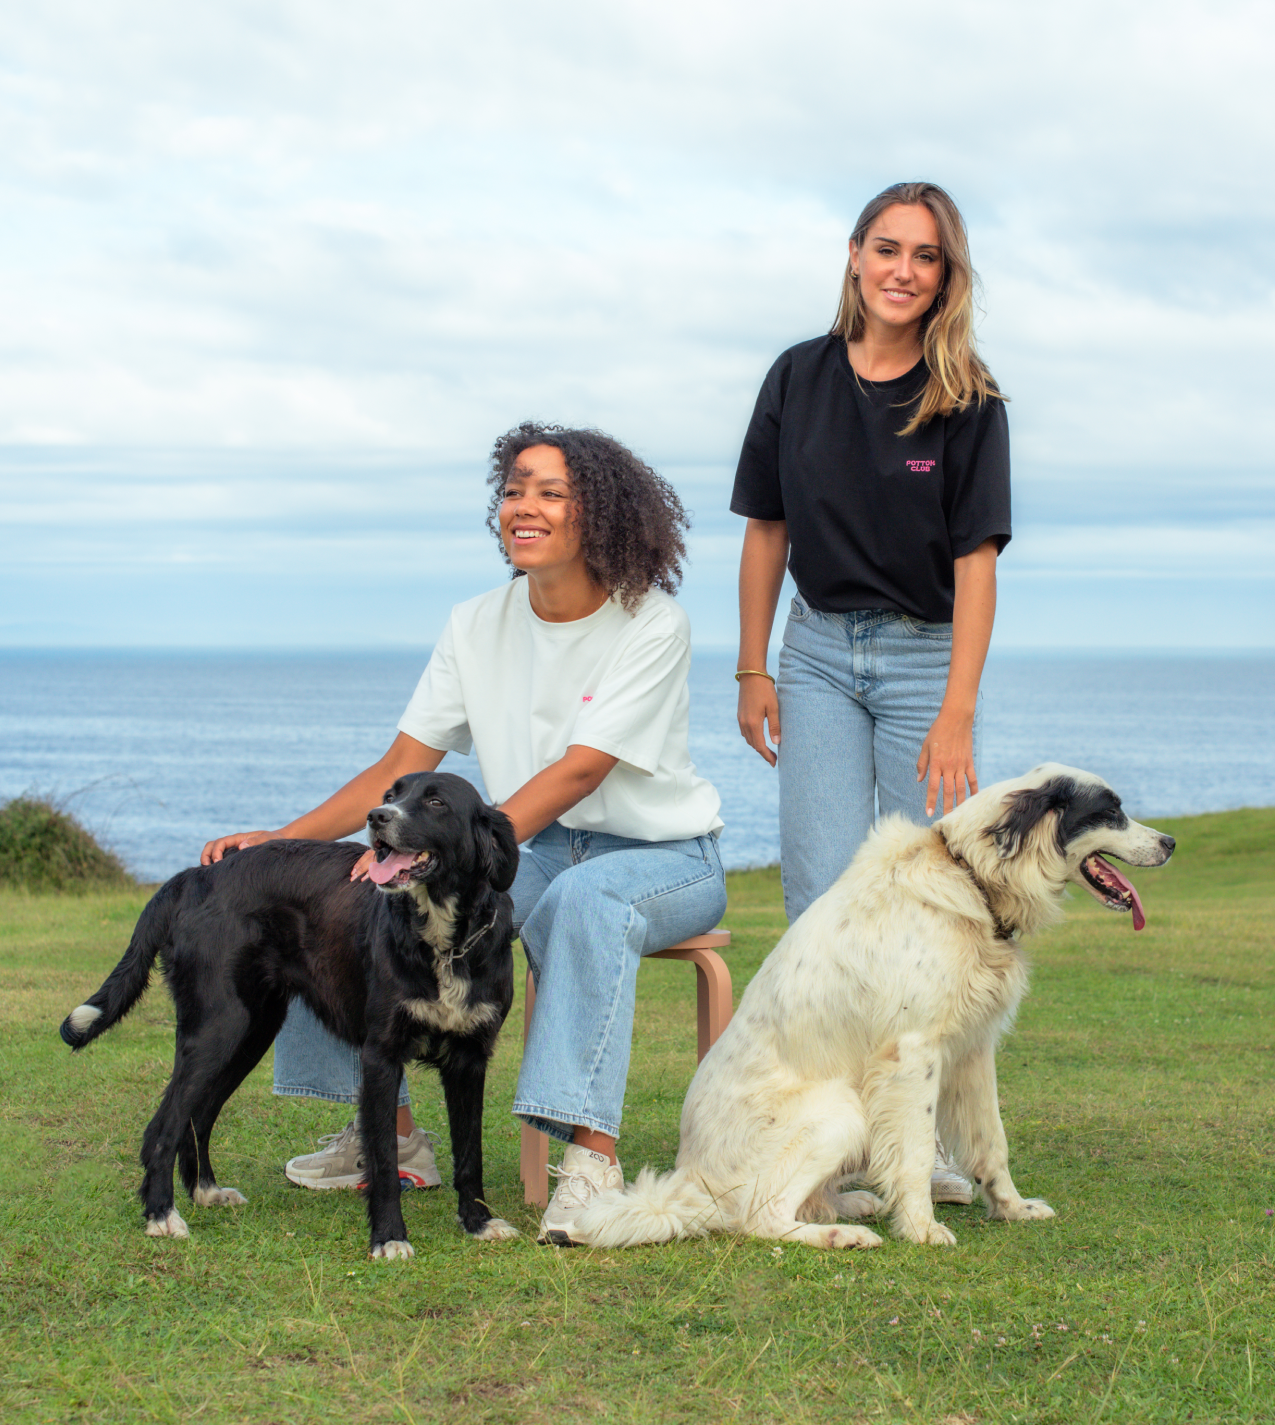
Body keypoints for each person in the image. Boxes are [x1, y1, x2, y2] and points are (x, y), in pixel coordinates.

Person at [202, 423, 726, 1245]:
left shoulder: (652, 623)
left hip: (658, 856)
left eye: (552, 493)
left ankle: (590, 1164)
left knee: (584, 901)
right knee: (338, 884)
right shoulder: (474, 622)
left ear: (603, 515)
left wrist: (460, 850)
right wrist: (283, 841)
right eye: (516, 488)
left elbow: (578, 773)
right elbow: (404, 760)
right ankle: (392, 1133)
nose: (526, 506)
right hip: (530, 846)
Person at [730, 181, 1011, 1204]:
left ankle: (919, 1148)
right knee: (820, 905)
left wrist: (957, 711)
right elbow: (766, 529)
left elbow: (977, 562)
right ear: (854, 257)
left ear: (946, 274)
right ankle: (835, 1141)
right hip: (811, 655)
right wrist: (754, 664)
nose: (902, 269)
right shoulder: (796, 377)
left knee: (932, 911)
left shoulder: (969, 398)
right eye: (885, 248)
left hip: (923, 661)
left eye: (924, 256)